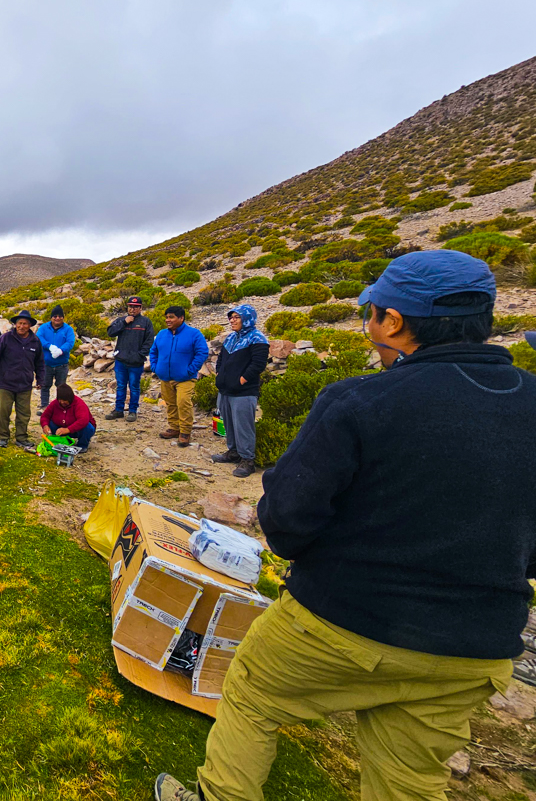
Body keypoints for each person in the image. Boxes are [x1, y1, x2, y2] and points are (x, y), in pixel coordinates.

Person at [155, 250, 536, 801]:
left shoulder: (360, 399)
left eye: (371, 315)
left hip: (342, 622)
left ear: (395, 321)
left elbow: (285, 523)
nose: (368, 328)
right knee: (408, 780)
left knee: (252, 695)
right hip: (473, 646)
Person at [210, 304, 269, 478]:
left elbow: (258, 365)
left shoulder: (257, 338)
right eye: (231, 317)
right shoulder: (231, 338)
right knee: (228, 423)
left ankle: (247, 460)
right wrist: (219, 374)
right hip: (225, 390)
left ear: (247, 318)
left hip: (244, 392)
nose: (232, 320)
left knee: (243, 425)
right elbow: (221, 358)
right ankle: (233, 451)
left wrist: (241, 380)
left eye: (237, 317)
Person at [0, 310, 45, 450]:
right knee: (4, 410)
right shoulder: (6, 338)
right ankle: (3, 437)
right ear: (15, 324)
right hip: (5, 382)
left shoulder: (35, 341)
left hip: (25, 384)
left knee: (24, 413)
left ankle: (21, 438)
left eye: (25, 324)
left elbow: (40, 363)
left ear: (30, 326)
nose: (22, 326)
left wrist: (40, 379)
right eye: (19, 323)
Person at [148, 306, 209, 447]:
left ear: (181, 318)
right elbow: (153, 351)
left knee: (183, 403)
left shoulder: (194, 334)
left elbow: (202, 352)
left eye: (171, 317)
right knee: (170, 404)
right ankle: (174, 428)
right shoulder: (162, 334)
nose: (167, 320)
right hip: (165, 377)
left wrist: (190, 370)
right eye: (167, 317)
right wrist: (155, 367)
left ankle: (185, 432)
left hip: (185, 378)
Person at [106, 296, 154, 422]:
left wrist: (140, 354)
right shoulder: (121, 320)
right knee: (120, 386)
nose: (132, 309)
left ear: (140, 308)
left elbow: (149, 341)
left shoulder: (145, 322)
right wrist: (124, 322)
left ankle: (133, 411)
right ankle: (118, 410)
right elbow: (110, 332)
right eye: (130, 306)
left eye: (135, 307)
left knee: (134, 386)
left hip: (136, 362)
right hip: (121, 360)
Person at [36, 305, 76, 409]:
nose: (57, 318)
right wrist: (49, 346)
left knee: (61, 387)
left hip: (62, 364)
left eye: (60, 316)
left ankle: (60, 407)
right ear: (51, 317)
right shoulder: (44, 327)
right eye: (55, 316)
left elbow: (70, 342)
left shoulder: (68, 329)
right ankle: (44, 406)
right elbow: (39, 338)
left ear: (63, 317)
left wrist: (61, 350)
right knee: (45, 386)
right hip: (46, 363)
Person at [40, 384, 97, 451]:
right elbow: (45, 416)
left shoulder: (79, 404)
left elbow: (83, 420)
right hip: (61, 429)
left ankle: (82, 445)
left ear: (70, 399)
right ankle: (60, 441)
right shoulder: (55, 403)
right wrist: (45, 426)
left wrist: (68, 429)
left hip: (77, 430)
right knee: (50, 423)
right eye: (60, 400)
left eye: (64, 400)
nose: (62, 402)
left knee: (87, 427)